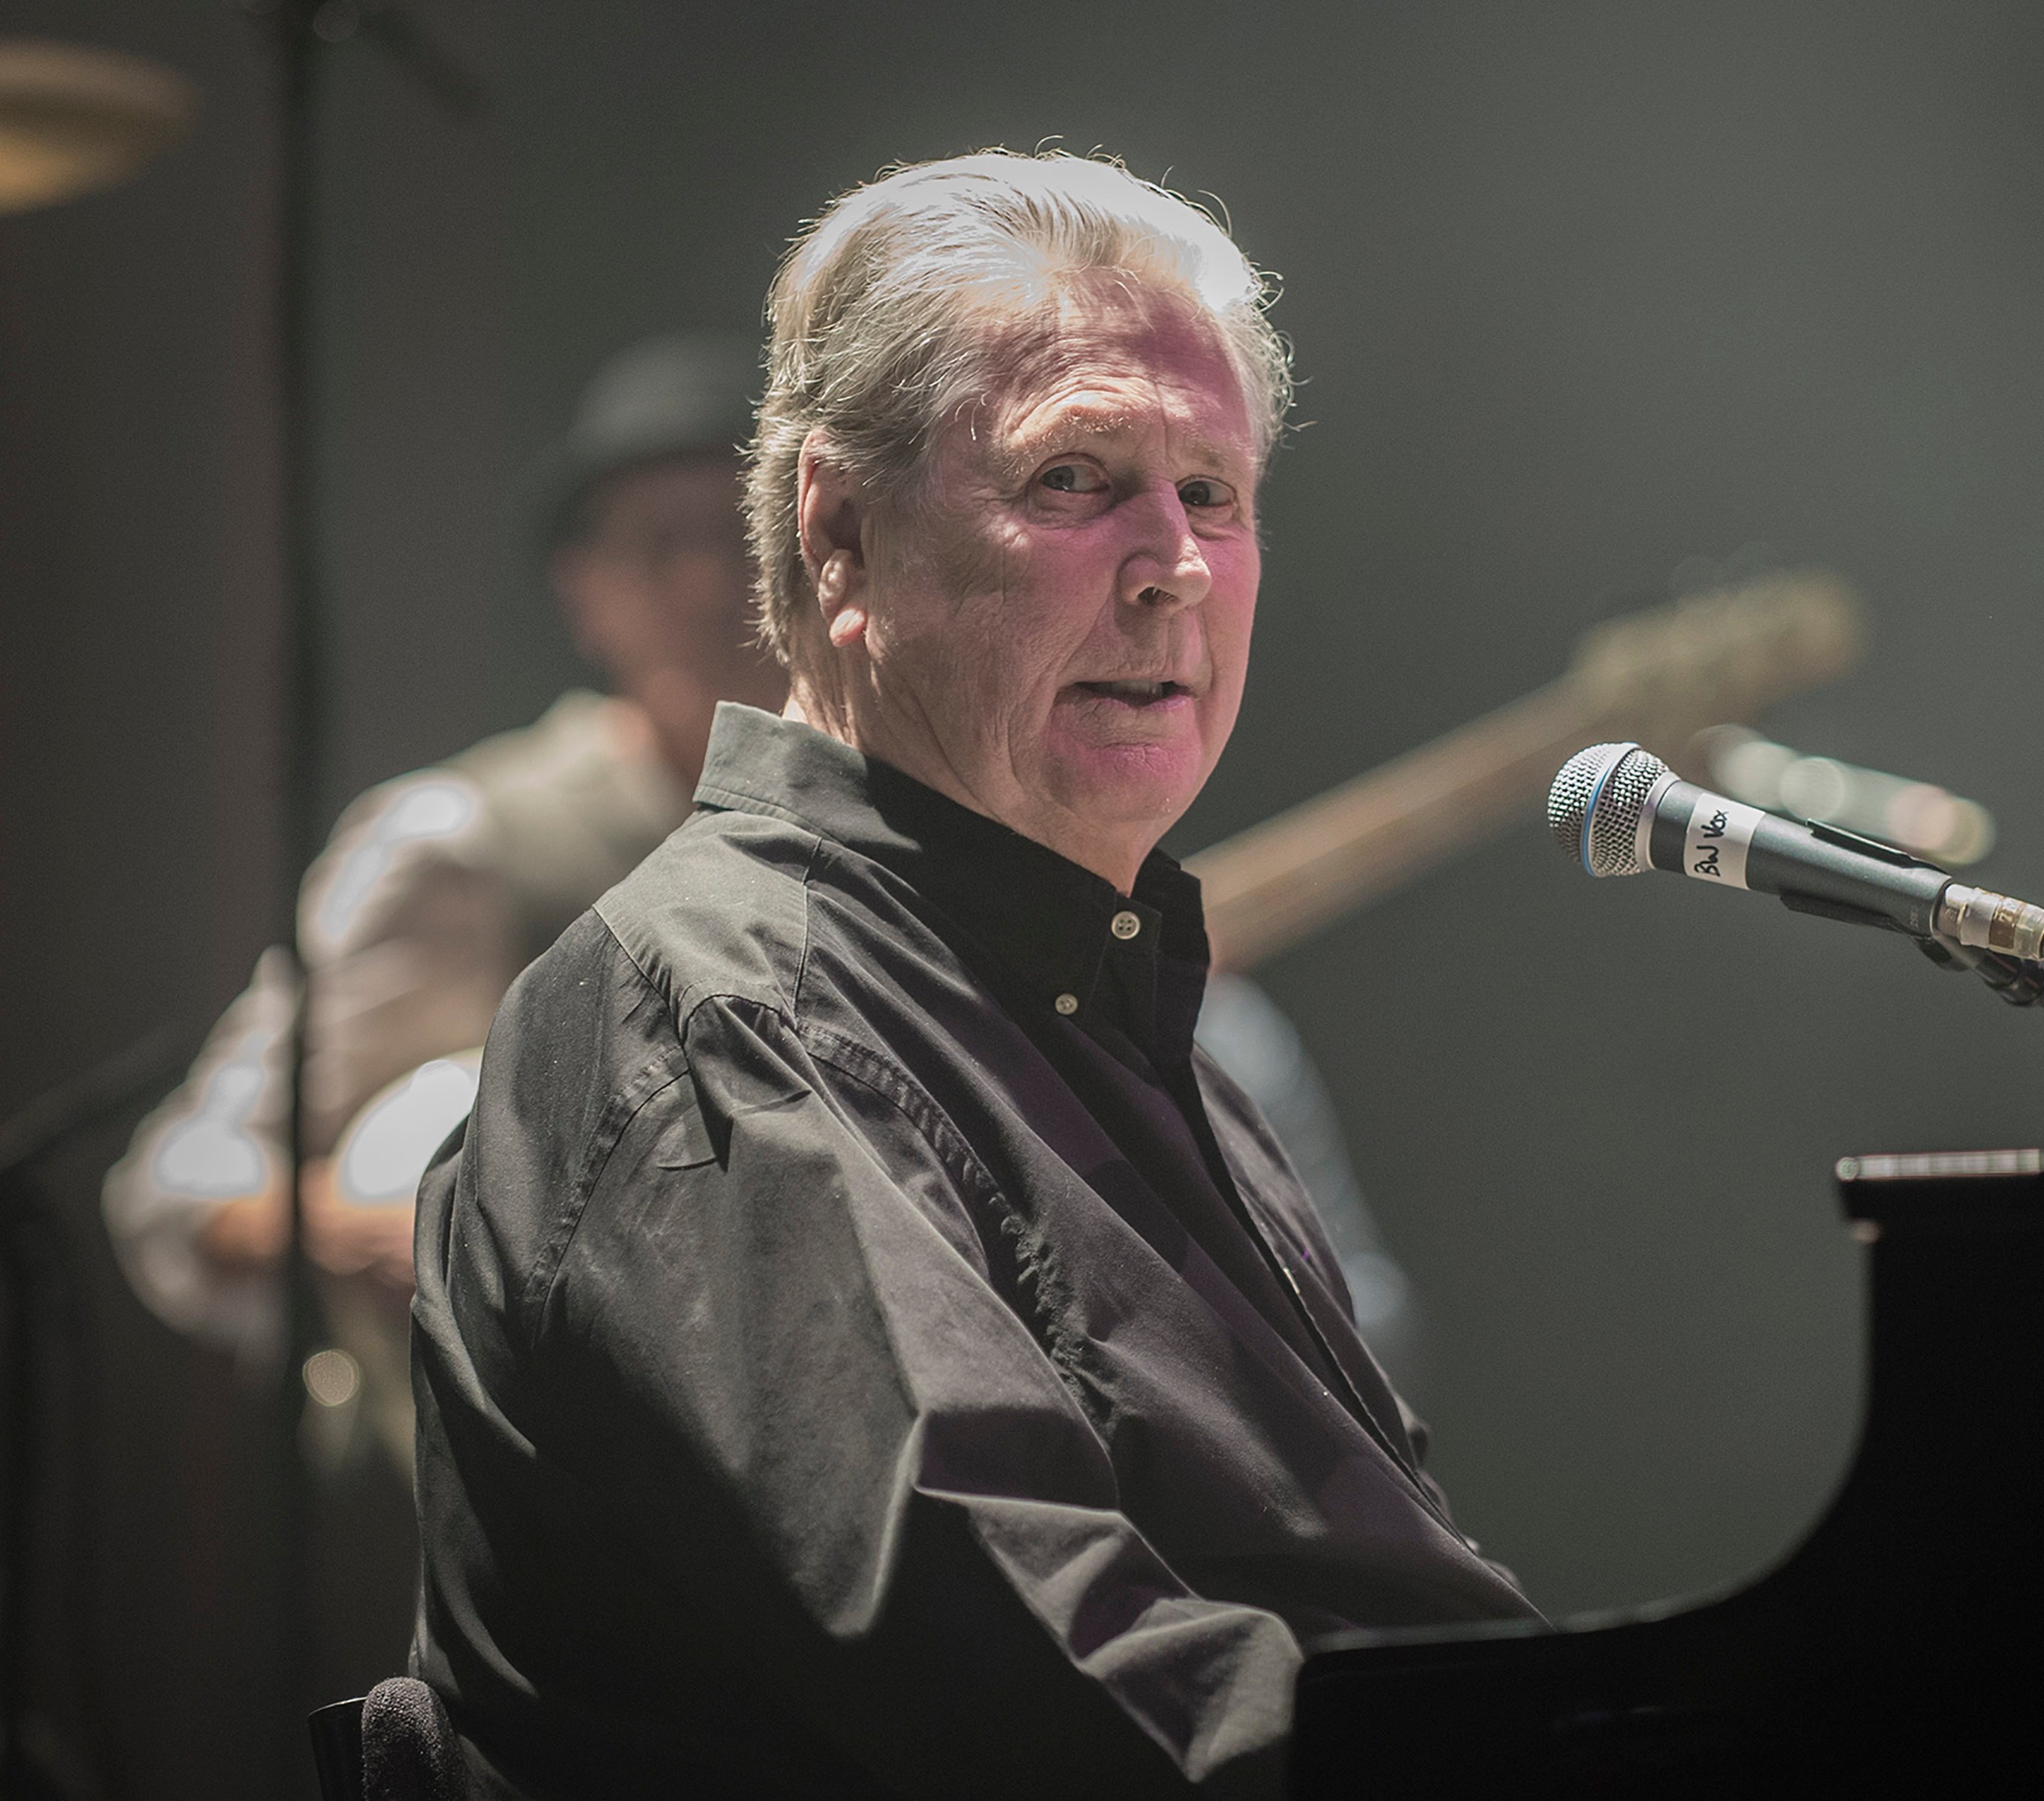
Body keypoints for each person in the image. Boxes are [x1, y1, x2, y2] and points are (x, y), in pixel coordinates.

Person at [410, 152, 1538, 1799]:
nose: (1177, 567)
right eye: (1078, 476)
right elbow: (1052, 1694)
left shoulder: (1155, 1037)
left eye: (1214, 490)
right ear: (843, 535)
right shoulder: (721, 1016)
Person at [101, 334, 791, 1472]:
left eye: (742, 540)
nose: (712, 584)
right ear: (586, 593)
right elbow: (183, 1185)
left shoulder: (885, 845)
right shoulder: (462, 843)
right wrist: (400, 1232)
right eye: (661, 545)